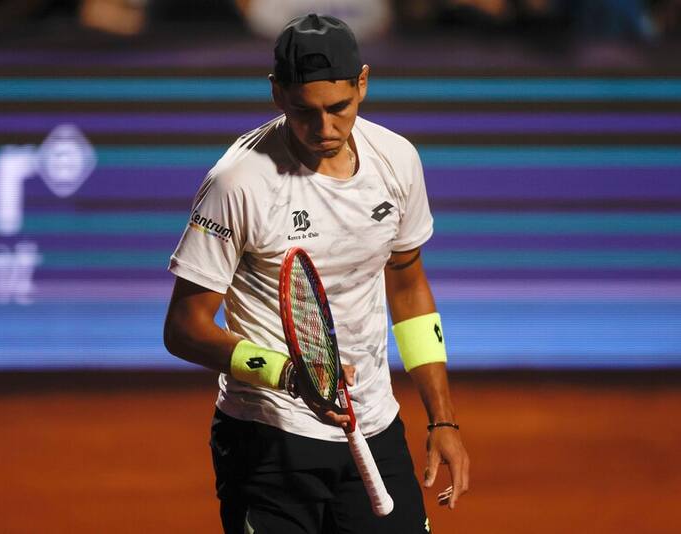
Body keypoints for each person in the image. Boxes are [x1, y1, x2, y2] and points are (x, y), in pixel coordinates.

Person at [163, 13, 469, 534]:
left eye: (339, 108)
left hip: (373, 425)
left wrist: (442, 416)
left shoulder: (397, 161)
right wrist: (284, 374)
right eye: (305, 112)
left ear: (363, 84)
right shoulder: (236, 183)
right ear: (277, 93)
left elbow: (408, 283)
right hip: (266, 437)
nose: (324, 129)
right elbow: (184, 328)